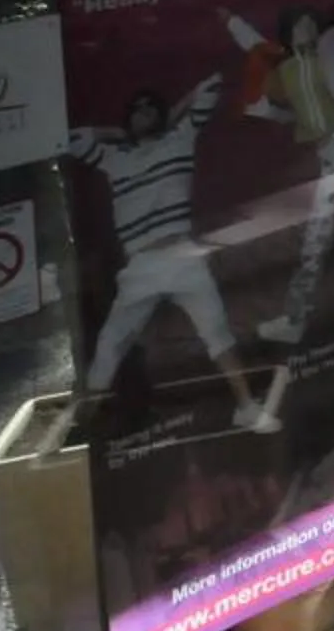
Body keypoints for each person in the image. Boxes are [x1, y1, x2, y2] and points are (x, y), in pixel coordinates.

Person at [65, 76, 280, 430]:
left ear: (163, 116)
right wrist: (124, 132)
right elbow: (73, 139)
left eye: (151, 108)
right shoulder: (114, 156)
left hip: (183, 256)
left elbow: (209, 90)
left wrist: (174, 112)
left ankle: (246, 408)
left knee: (218, 335)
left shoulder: (179, 140)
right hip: (141, 266)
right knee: (110, 345)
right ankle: (82, 422)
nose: (143, 113)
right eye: (136, 110)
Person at [228, 6, 334, 348]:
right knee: (319, 237)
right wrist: (261, 110)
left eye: (311, 23)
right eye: (300, 24)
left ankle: (300, 317)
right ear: (289, 32)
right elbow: (293, 113)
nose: (308, 28)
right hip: (333, 155)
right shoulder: (287, 71)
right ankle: (298, 318)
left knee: (326, 233)